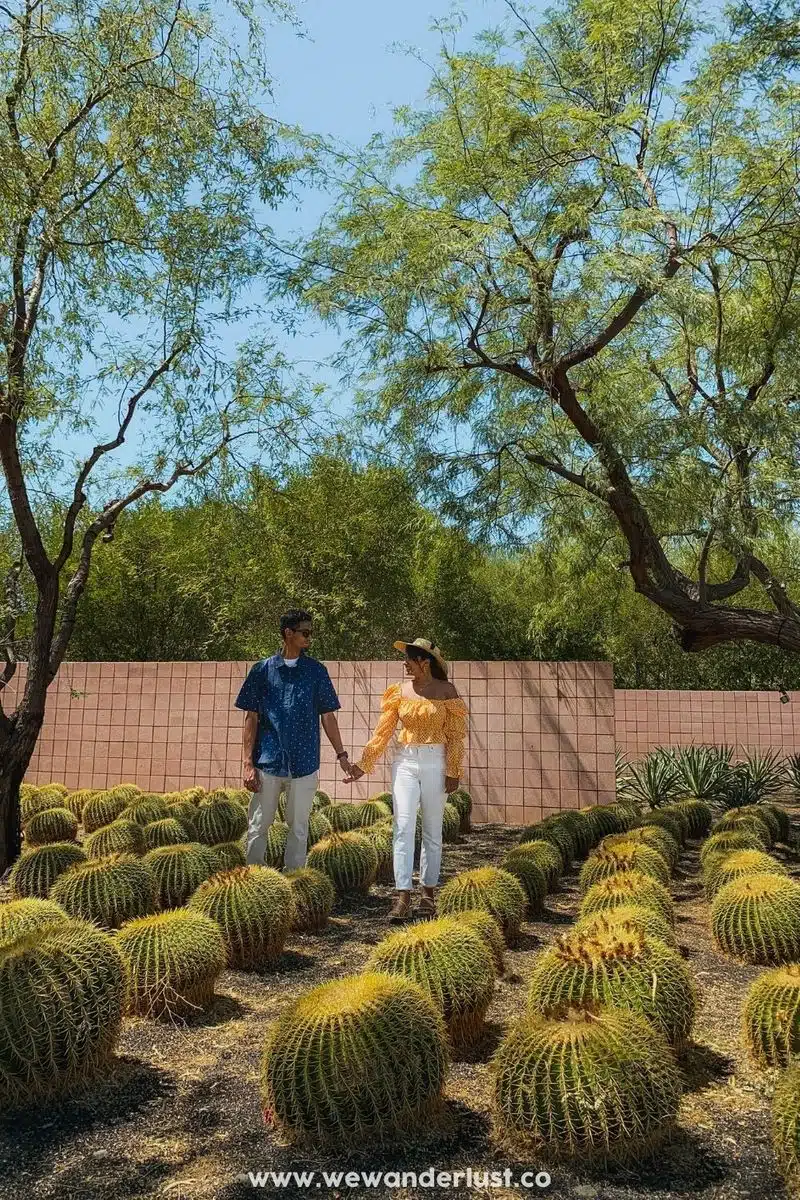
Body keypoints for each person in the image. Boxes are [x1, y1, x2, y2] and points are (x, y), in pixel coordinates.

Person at [346, 638, 467, 922]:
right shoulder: (398, 693)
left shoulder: (447, 692)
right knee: (402, 827)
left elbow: (456, 736)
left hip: (436, 763)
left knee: (433, 830)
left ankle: (428, 894)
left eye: (409, 659)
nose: (404, 664)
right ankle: (403, 896)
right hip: (405, 763)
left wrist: (453, 770)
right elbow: (383, 732)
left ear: (424, 662)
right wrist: (364, 764)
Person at [236, 609, 353, 869]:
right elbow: (250, 719)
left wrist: (342, 755)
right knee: (258, 824)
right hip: (267, 761)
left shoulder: (316, 671)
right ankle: (254, 875)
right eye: (305, 632)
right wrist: (247, 763)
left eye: (310, 632)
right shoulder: (261, 671)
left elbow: (328, 716)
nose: (309, 637)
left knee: (299, 826)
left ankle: (295, 876)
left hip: (304, 762)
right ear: (288, 633)